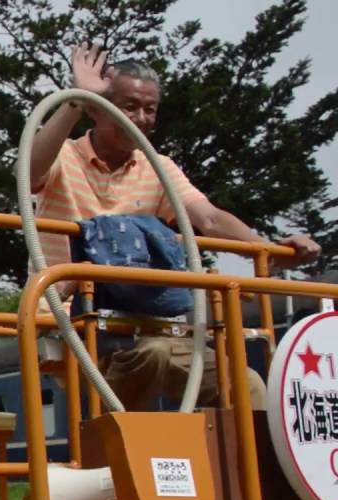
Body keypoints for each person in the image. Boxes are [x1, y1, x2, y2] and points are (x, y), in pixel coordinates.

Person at [28, 45, 321, 411]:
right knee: (153, 356)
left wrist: (269, 249)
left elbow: (208, 219)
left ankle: (236, 466)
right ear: (95, 108)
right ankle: (125, 458)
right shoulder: (65, 155)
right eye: (129, 106)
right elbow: (30, 171)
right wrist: (73, 99)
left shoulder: (157, 167)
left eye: (150, 109)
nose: (141, 118)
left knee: (246, 386)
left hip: (145, 322)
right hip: (72, 318)